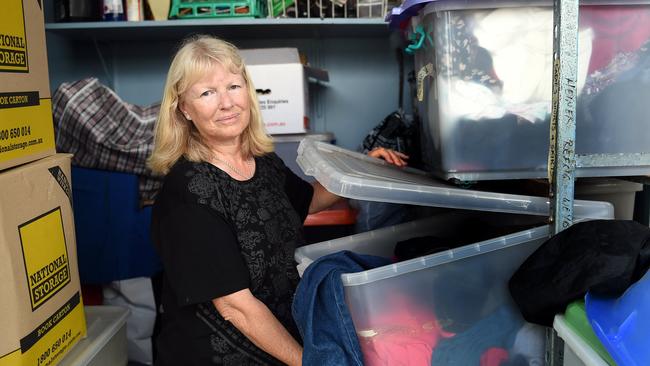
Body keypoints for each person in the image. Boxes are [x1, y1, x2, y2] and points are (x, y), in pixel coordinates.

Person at [147, 35, 408, 366]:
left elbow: (309, 200)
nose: (226, 103)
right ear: (184, 108)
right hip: (222, 355)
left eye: (233, 86)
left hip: (282, 337)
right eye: (207, 93)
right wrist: (307, 362)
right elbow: (235, 307)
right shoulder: (188, 192)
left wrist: (365, 168)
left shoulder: (262, 162)